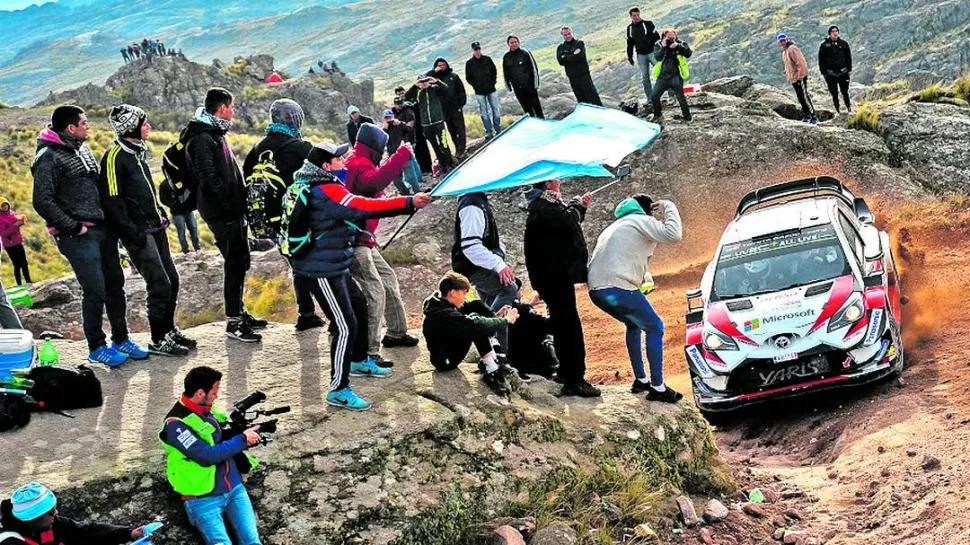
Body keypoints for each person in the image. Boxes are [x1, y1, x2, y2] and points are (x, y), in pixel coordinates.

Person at [290, 142, 431, 410]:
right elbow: (363, 206)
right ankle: (338, 389)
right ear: (325, 166)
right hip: (320, 269)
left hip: (335, 264)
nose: (344, 163)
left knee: (359, 306)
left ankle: (357, 361)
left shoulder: (315, 184)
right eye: (338, 159)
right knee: (345, 326)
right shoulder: (325, 190)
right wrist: (410, 202)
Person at [32, 105, 146, 367]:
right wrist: (73, 227)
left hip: (102, 230)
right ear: (70, 128)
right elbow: (42, 200)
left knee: (115, 283)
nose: (88, 126)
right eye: (84, 123)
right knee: (94, 289)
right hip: (77, 235)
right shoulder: (47, 157)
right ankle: (96, 346)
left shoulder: (82, 148)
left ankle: (122, 339)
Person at [100, 104, 193, 357]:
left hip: (156, 228)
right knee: (159, 283)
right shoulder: (114, 156)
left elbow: (146, 193)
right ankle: (158, 339)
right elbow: (112, 200)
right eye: (144, 123)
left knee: (172, 279)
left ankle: (169, 330)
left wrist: (161, 214)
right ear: (131, 127)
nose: (148, 126)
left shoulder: (138, 152)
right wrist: (133, 233)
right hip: (139, 234)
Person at [182, 87, 266, 343]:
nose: (233, 111)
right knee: (234, 263)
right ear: (222, 108)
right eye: (231, 107)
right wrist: (230, 205)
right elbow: (208, 178)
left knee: (240, 261)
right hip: (221, 212)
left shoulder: (214, 133)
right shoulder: (202, 138)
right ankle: (234, 323)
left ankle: (239, 312)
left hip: (229, 209)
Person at [587, 195, 683, 402]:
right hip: (617, 287)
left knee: (633, 325)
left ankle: (641, 380)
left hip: (596, 290)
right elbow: (674, 234)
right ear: (646, 210)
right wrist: (668, 206)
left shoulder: (613, 227)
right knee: (655, 327)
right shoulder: (641, 221)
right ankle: (657, 388)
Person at [241, 99, 321, 332]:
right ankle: (324, 315)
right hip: (297, 218)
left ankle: (306, 313)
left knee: (297, 264)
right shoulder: (300, 147)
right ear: (295, 119)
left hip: (270, 223)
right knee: (313, 265)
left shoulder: (256, 149)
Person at [159, 366, 264, 545]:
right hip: (202, 498)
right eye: (214, 392)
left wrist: (245, 430)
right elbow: (206, 456)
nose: (216, 396)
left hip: (234, 489)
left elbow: (223, 435)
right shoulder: (175, 425)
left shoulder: (208, 410)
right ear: (201, 393)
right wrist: (243, 439)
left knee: (253, 542)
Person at [345, 123, 419, 366]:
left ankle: (396, 333)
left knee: (388, 279)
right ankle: (368, 351)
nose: (384, 152)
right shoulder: (358, 164)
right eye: (384, 148)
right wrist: (401, 156)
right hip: (355, 240)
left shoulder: (359, 160)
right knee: (375, 290)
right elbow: (375, 183)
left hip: (365, 238)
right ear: (375, 146)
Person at [523, 180, 599, 397]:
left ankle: (567, 373)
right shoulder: (545, 208)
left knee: (563, 324)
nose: (559, 182)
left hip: (551, 277)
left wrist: (578, 207)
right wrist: (576, 207)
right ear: (548, 184)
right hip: (555, 277)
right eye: (556, 179)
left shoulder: (543, 207)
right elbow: (567, 221)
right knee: (569, 327)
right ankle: (574, 378)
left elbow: (567, 224)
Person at [422, 271, 519, 395]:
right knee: (475, 324)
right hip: (445, 361)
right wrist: (505, 320)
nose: (465, 297)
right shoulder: (442, 314)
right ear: (452, 293)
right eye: (463, 293)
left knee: (475, 305)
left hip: (449, 345)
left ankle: (495, 358)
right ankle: (491, 369)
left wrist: (496, 317)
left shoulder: (441, 302)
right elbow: (473, 323)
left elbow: (472, 313)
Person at [0, 482, 150, 545]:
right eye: (51, 512)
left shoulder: (52, 524)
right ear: (33, 518)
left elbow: (87, 531)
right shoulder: (9, 541)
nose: (56, 513)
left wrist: (129, 534)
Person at [409, 75, 457, 174]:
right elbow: (407, 97)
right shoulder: (418, 92)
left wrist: (437, 81)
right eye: (422, 82)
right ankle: (442, 165)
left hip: (438, 122)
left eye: (426, 81)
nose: (424, 83)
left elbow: (447, 89)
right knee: (434, 146)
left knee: (444, 144)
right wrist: (415, 86)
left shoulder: (435, 89)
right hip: (426, 125)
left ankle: (450, 164)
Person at [649, 29, 693, 124]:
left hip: (676, 76)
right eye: (669, 37)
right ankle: (658, 115)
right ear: (664, 36)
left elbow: (688, 53)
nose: (671, 39)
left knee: (681, 98)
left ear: (675, 35)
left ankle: (688, 117)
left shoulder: (680, 43)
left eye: (672, 37)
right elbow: (657, 57)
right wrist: (663, 47)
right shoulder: (659, 44)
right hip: (663, 77)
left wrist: (678, 46)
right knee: (654, 96)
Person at [427, 58, 468, 157]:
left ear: (447, 65)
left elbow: (461, 91)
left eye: (443, 65)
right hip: (444, 109)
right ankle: (458, 148)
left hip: (456, 107)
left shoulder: (453, 76)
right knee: (451, 129)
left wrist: (460, 104)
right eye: (439, 65)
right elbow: (423, 77)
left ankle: (462, 149)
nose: (441, 67)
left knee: (460, 128)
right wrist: (434, 72)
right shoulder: (434, 80)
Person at [778, 33, 818, 124]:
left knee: (804, 96)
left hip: (800, 77)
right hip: (794, 79)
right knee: (800, 98)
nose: (783, 42)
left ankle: (813, 116)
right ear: (779, 42)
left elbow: (801, 62)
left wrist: (800, 76)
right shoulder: (784, 52)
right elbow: (788, 66)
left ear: (787, 39)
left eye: (784, 40)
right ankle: (807, 115)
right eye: (781, 41)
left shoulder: (792, 48)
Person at [557, 26, 602, 106]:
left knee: (593, 98)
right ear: (562, 35)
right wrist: (572, 55)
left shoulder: (579, 43)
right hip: (572, 78)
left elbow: (579, 57)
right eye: (565, 35)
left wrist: (566, 57)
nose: (567, 36)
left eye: (569, 34)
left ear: (571, 33)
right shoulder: (560, 48)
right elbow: (561, 61)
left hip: (584, 76)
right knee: (582, 101)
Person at [465, 42, 502, 139]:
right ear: (472, 50)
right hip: (479, 92)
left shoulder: (487, 59)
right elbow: (468, 78)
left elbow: (494, 71)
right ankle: (489, 131)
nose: (477, 51)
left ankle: (498, 128)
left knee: (496, 109)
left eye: (478, 49)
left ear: (480, 49)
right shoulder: (469, 64)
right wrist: (476, 85)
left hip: (491, 89)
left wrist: (493, 82)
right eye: (475, 49)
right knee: (484, 112)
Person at [158, 173, 201, 254]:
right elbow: (162, 200)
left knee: (194, 229)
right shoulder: (164, 185)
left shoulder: (182, 180)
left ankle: (197, 248)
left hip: (188, 210)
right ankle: (186, 250)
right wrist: (172, 204)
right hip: (177, 213)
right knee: (181, 232)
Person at [503, 35, 544, 118]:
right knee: (527, 110)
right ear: (508, 44)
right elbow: (505, 73)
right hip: (517, 88)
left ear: (518, 43)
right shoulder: (506, 57)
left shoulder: (525, 53)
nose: (514, 44)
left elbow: (534, 69)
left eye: (515, 42)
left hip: (530, 86)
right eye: (512, 42)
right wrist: (508, 86)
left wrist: (535, 84)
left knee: (537, 108)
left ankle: (543, 123)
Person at [626, 7, 661, 102]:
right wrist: (630, 57)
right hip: (641, 55)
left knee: (661, 72)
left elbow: (657, 37)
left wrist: (659, 50)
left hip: (652, 52)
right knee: (645, 77)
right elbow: (630, 44)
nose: (636, 17)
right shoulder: (629, 28)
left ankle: (671, 95)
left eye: (638, 15)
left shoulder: (648, 24)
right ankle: (650, 98)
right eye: (634, 15)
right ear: (631, 16)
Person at [397, 86, 434, 174]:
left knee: (424, 148)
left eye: (402, 93)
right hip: (409, 132)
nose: (401, 95)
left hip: (419, 129)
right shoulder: (399, 107)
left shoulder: (412, 102)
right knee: (415, 151)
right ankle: (421, 169)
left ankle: (428, 168)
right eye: (399, 94)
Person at [818, 25, 853, 113]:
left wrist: (849, 69)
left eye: (836, 31)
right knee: (834, 94)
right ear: (829, 34)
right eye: (833, 31)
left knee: (845, 92)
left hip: (843, 72)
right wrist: (824, 72)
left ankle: (849, 108)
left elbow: (848, 57)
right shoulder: (824, 45)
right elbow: (821, 60)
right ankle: (838, 110)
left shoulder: (844, 44)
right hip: (830, 74)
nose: (835, 33)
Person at [0, 198, 31, 285]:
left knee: (24, 263)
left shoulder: (11, 213)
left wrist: (21, 219)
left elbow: (15, 219)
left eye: (6, 204)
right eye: (2, 205)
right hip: (9, 245)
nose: (5, 207)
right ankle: (19, 284)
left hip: (18, 242)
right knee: (17, 265)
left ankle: (29, 282)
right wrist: (16, 225)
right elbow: (3, 233)